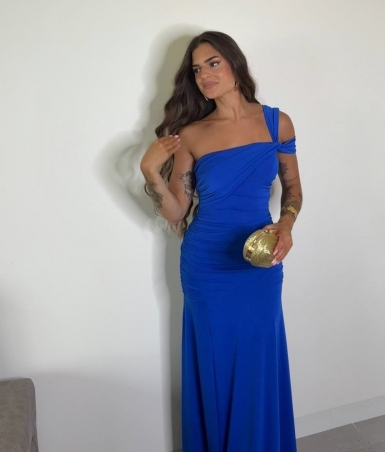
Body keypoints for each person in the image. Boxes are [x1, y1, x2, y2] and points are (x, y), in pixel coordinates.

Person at [140, 31, 302, 452]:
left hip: (259, 263)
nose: (205, 75)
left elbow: (293, 190)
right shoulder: (192, 134)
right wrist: (151, 172)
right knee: (216, 363)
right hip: (207, 266)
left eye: (213, 63)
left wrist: (285, 226)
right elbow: (176, 211)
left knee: (257, 359)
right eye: (197, 69)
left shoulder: (277, 123)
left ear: (234, 63)